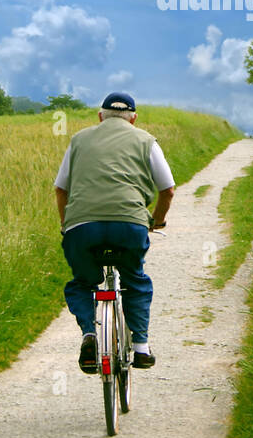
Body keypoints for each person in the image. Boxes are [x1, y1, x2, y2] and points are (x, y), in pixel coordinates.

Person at [54, 92, 175, 373]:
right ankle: (142, 348)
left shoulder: (79, 140)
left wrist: (66, 224)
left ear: (100, 116)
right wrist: (156, 221)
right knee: (135, 280)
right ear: (133, 119)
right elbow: (167, 190)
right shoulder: (146, 140)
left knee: (82, 283)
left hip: (81, 227)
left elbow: (61, 189)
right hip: (129, 226)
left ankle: (89, 334)